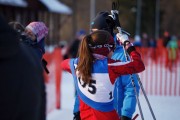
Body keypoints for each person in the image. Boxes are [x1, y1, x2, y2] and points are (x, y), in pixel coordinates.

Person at [61, 30, 145, 120]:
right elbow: (139, 65)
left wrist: (84, 58)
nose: (113, 51)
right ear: (105, 48)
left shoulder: (76, 64)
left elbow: (63, 64)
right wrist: (127, 44)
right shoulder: (110, 66)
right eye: (113, 46)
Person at [0, 16, 46, 120]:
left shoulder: (35, 52)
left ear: (38, 38)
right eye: (26, 32)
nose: (27, 35)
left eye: (31, 34)